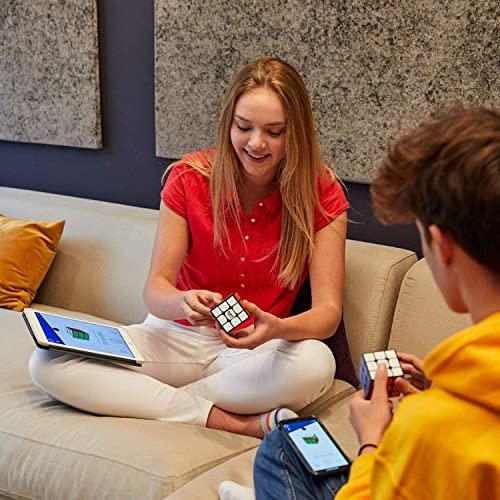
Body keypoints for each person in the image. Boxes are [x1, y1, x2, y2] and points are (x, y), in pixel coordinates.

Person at [28, 57, 349, 438]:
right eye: (243, 127)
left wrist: (277, 327)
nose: (256, 143)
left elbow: (327, 313)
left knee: (317, 363)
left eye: (274, 132)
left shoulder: (322, 192)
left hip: (255, 353)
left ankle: (149, 399)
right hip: (172, 337)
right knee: (48, 362)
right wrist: (183, 302)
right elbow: (155, 290)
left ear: (296, 132)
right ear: (227, 123)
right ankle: (229, 420)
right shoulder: (188, 178)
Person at [220, 105, 500, 497]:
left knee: (280, 449)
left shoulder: (429, 430)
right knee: (284, 445)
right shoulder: (459, 394)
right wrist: (444, 390)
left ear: (442, 246)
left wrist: (373, 440)